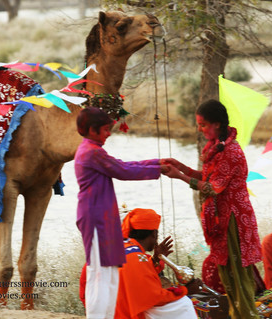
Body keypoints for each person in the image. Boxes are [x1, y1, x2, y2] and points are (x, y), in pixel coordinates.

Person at [163, 99, 262, 319]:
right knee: (228, 276)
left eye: (203, 124)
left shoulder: (230, 152)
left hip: (233, 219)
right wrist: (180, 166)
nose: (199, 129)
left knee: (238, 278)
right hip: (222, 219)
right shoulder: (217, 147)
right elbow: (207, 178)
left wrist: (179, 177)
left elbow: (211, 188)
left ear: (216, 124)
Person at [75, 107, 175, 319]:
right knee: (100, 275)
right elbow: (123, 171)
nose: (109, 134)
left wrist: (156, 163)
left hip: (102, 219)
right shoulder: (91, 151)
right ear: (92, 130)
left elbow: (122, 165)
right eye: (105, 129)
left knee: (109, 274)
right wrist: (158, 169)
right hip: (95, 220)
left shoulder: (93, 150)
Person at [116, 208, 200, 319]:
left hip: (116, 309)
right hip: (125, 314)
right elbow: (152, 297)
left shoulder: (125, 249)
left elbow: (138, 276)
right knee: (184, 304)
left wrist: (155, 259)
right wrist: (186, 290)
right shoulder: (136, 257)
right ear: (154, 234)